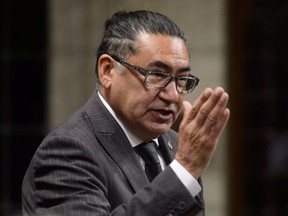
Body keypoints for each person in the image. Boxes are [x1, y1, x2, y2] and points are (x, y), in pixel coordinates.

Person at [22, 10, 230, 216]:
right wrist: (184, 170)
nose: (173, 95)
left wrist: (185, 166)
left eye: (182, 79)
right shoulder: (67, 151)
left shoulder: (177, 145)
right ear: (107, 71)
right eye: (157, 74)